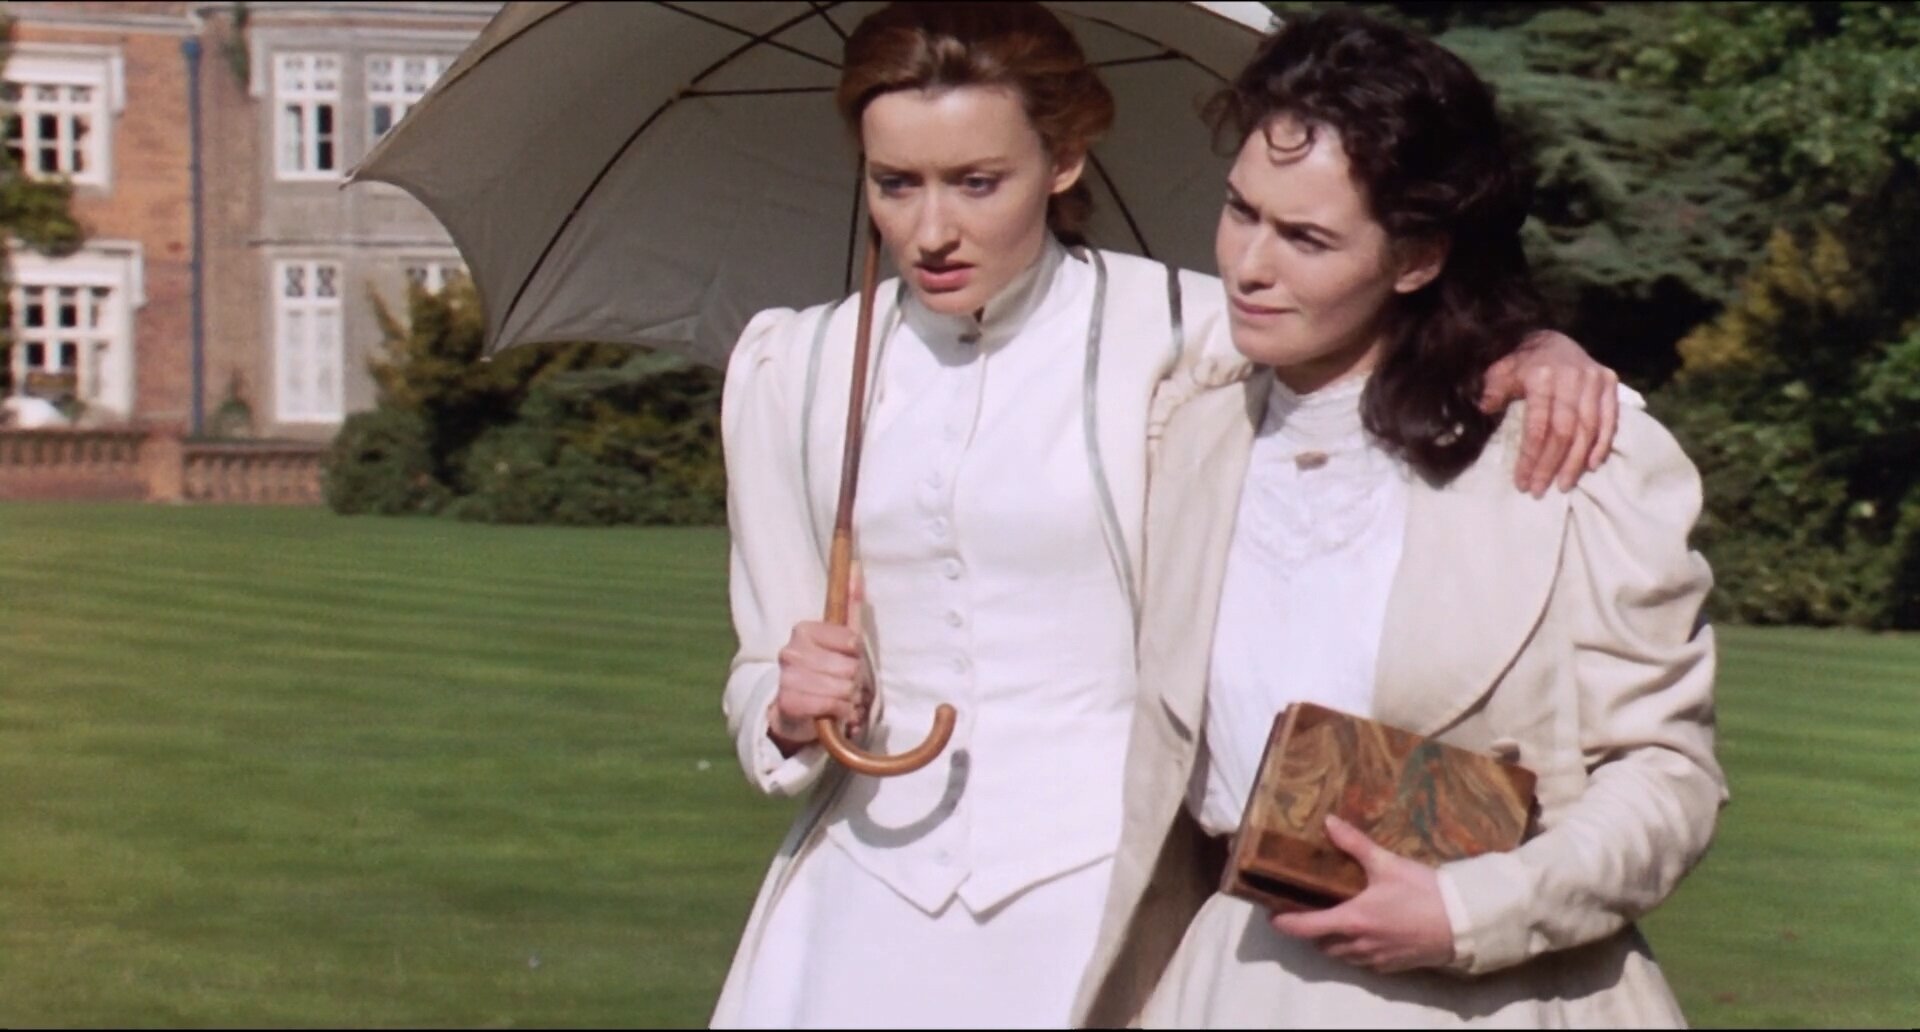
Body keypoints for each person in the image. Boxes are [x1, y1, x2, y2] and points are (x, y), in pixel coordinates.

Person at [709, 4, 1622, 1028]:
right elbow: (760, 671)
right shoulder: (794, 370)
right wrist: (788, 708)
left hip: (1106, 891)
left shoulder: (1197, 331)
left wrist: (1536, 349)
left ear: (1064, 159)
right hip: (858, 904)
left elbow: (1389, 356)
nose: (930, 231)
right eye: (895, 183)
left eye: (976, 182)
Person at [1073, 11, 1726, 1028]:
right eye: (1240, 210)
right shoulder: (1185, 428)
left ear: (1416, 258)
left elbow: (1666, 776)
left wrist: (1470, 911)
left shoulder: (1574, 454)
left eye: (1306, 238)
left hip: (1497, 997)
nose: (1248, 265)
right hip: (1231, 982)